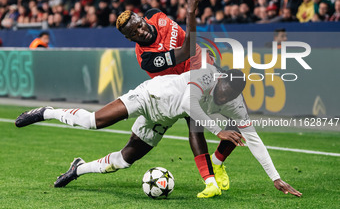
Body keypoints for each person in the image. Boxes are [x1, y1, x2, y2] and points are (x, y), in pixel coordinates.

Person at [15, 65, 302, 198]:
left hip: (162, 120)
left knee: (124, 160)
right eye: (223, 91)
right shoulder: (208, 74)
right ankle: (45, 112)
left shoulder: (236, 104)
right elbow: (191, 103)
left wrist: (276, 178)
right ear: (220, 80)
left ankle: (78, 169)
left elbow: (254, 139)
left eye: (229, 96)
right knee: (94, 121)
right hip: (149, 96)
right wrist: (217, 130)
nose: (223, 97)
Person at [115, 0, 235, 197]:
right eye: (134, 33)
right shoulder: (148, 59)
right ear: (130, 38)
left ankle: (217, 163)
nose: (141, 31)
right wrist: (190, 10)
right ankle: (210, 182)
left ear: (142, 18)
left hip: (204, 66)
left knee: (239, 117)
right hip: (182, 85)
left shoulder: (155, 14)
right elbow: (186, 50)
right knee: (195, 126)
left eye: (139, 25)